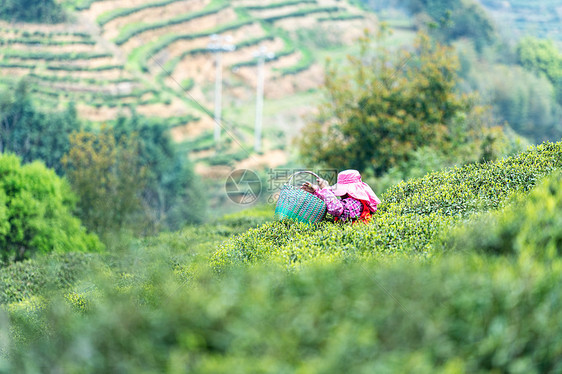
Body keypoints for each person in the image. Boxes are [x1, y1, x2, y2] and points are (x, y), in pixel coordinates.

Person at [301, 169, 381, 223]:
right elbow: (330, 203)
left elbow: (336, 209)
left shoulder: (355, 203)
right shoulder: (348, 201)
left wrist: (325, 189)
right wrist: (316, 192)